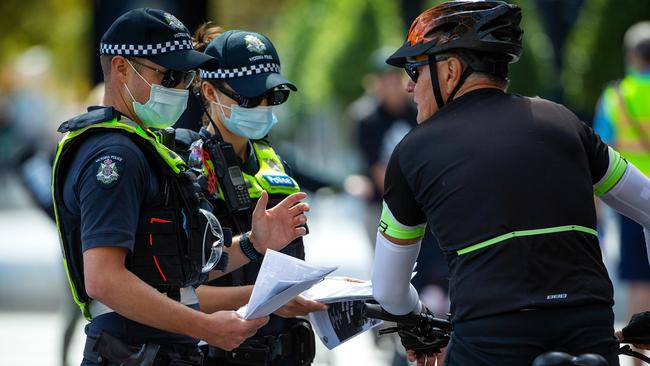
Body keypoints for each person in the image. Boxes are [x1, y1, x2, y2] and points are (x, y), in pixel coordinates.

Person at [370, 1, 650, 365]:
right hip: (589, 330)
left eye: (415, 68)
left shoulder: (412, 151)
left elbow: (388, 291)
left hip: (491, 338)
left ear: (451, 70)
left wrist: (420, 321)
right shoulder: (563, 121)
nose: (410, 86)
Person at [51, 9, 310, 366]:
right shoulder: (115, 156)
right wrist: (205, 327)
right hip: (132, 351)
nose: (179, 89)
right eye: (170, 74)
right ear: (122, 68)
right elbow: (105, 281)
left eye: (185, 76)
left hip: (163, 351)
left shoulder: (147, 148)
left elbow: (178, 270)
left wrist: (253, 244)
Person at [182, 26, 326, 366]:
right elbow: (182, 292)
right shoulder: (186, 170)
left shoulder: (274, 164)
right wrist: (270, 299)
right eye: (248, 98)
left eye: (271, 96)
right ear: (209, 91)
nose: (262, 107)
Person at [594, 23, 650, 366]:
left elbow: (599, 153)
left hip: (635, 200)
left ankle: (640, 357)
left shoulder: (616, 96)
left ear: (631, 56)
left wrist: (597, 206)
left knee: (639, 279)